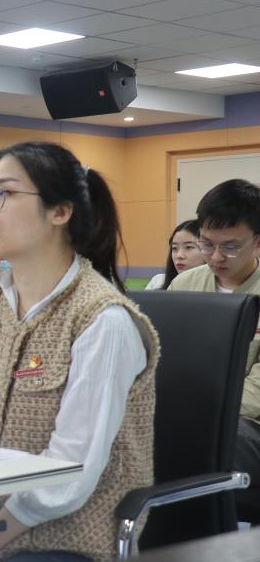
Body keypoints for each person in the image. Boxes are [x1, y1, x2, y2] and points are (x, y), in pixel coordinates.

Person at [0, 142, 159, 562]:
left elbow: (68, 474)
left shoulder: (102, 319)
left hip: (65, 541)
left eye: (5, 193)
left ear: (60, 211)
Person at [167, 180, 260, 520]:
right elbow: (164, 358)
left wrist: (202, 409)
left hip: (246, 422)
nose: (216, 257)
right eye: (207, 244)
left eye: (231, 247)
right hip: (186, 411)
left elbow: (257, 392)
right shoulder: (186, 285)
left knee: (213, 439)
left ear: (258, 242)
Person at [144, 220, 204, 290]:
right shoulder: (158, 282)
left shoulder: (213, 286)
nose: (179, 255)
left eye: (188, 247)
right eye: (174, 248)